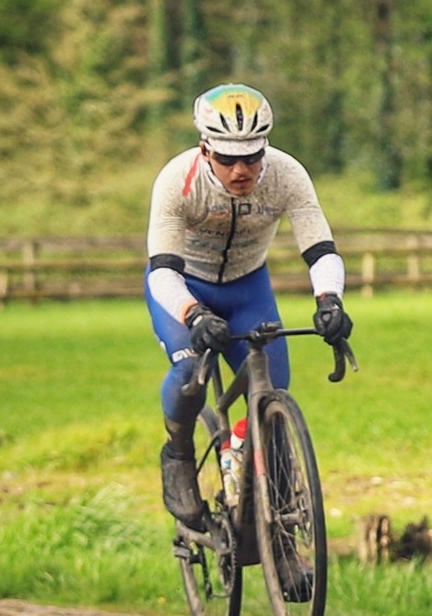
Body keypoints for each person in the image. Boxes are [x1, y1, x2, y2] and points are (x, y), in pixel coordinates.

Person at [145, 84, 353, 524]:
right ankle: (179, 454)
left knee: (272, 401)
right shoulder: (175, 181)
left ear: (266, 149)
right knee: (188, 373)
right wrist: (194, 314)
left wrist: (330, 300)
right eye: (226, 159)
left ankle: (282, 537)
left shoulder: (287, 174)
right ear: (205, 150)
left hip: (248, 288)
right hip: (185, 287)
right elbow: (162, 270)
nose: (241, 169)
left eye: (252, 157)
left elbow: (320, 249)